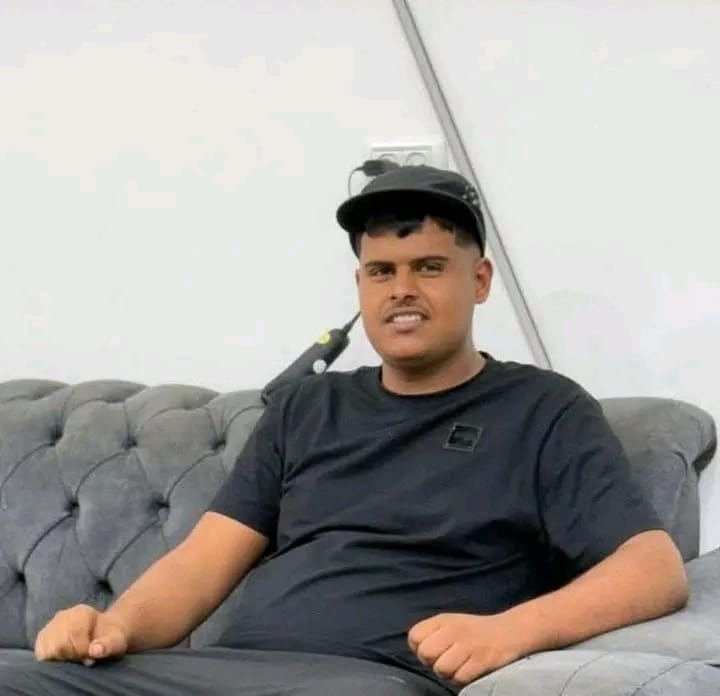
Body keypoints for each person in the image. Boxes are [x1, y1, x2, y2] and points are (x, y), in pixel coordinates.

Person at [1, 166, 688, 695]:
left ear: (479, 280)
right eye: (381, 272)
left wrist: (512, 631)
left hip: (372, 680)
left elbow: (653, 570)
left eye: (429, 268)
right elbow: (200, 564)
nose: (401, 289)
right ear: (361, 286)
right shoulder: (308, 407)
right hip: (227, 671)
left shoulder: (544, 410)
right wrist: (113, 627)